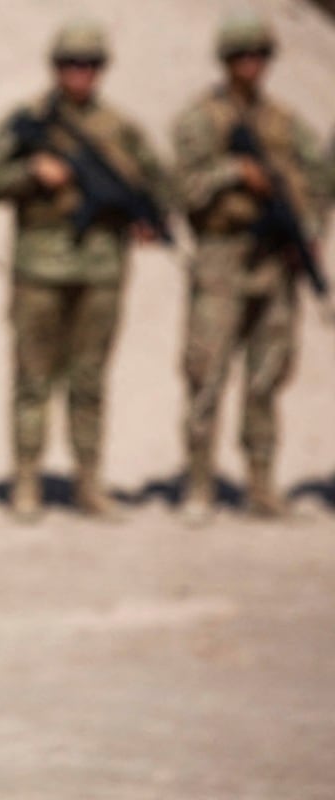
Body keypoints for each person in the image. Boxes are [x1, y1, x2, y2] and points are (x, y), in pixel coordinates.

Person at [0, 19, 171, 521]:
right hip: (39, 268)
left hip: (101, 268)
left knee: (90, 381)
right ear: (56, 68)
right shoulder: (29, 120)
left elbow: (158, 183)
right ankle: (27, 481)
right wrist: (31, 173)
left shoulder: (121, 128)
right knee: (32, 379)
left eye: (89, 65)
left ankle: (89, 482)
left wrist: (150, 220)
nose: (80, 74)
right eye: (71, 64)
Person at [171, 11, 328, 521]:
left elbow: (318, 174)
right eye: (242, 55)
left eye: (259, 55)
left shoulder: (284, 121)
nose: (251, 64)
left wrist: (310, 230)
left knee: (267, 377)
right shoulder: (200, 118)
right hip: (221, 256)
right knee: (206, 375)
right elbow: (182, 189)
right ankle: (199, 486)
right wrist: (233, 171)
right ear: (226, 61)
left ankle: (261, 485)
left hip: (274, 263)